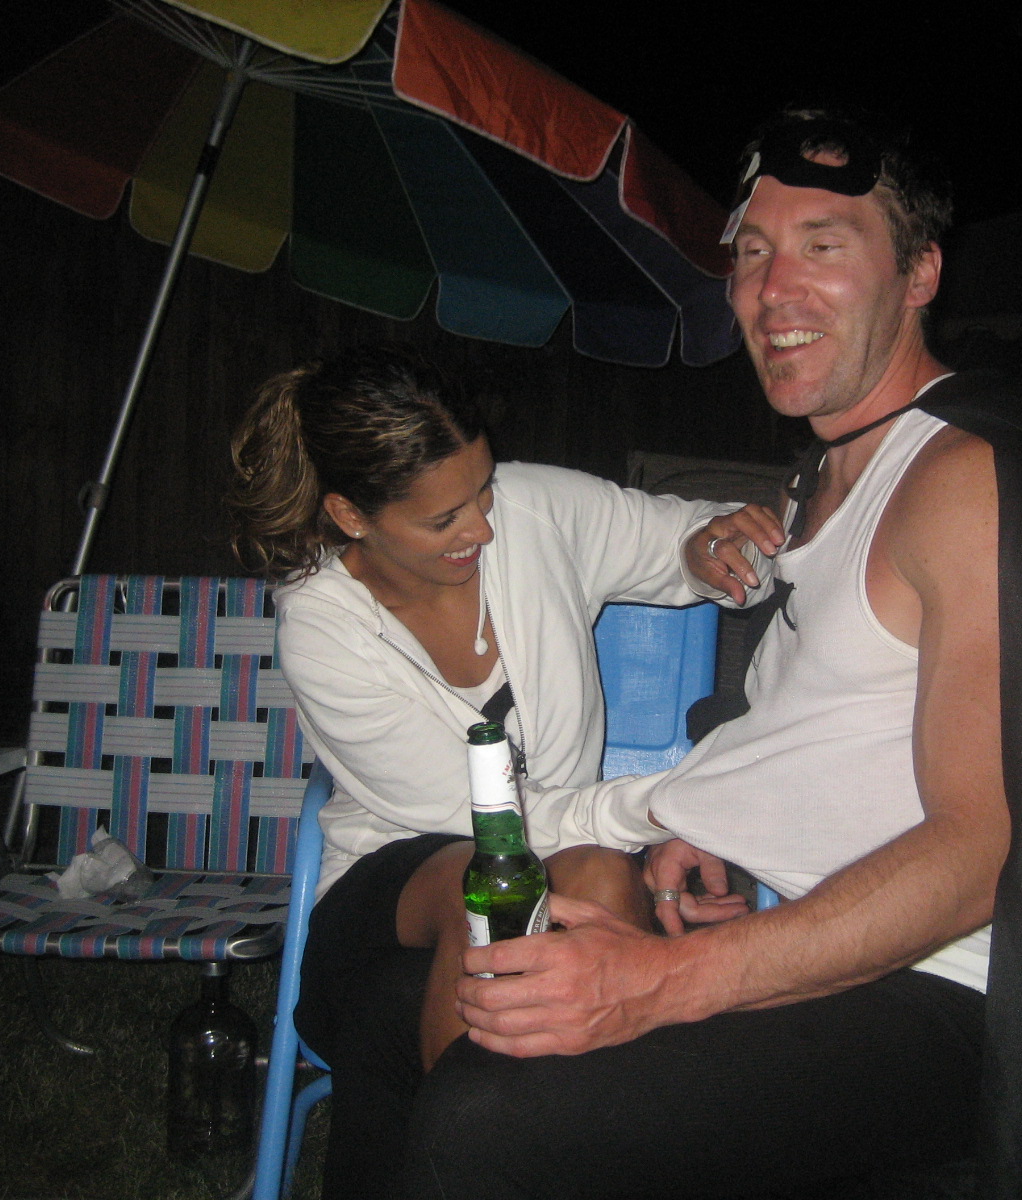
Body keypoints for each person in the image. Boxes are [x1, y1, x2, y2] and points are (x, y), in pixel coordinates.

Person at [397, 109, 1022, 1199]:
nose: (772, 288)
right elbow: (842, 728)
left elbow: (985, 848)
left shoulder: (966, 481)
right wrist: (719, 835)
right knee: (417, 1007)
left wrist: (660, 983)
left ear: (920, 274)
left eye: (823, 245)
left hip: (946, 1002)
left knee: (488, 1117)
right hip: (811, 949)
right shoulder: (822, 479)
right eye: (753, 253)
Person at [227, 346, 780, 1195]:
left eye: (482, 490)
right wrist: (676, 809)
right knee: (484, 887)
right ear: (350, 516)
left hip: (556, 875)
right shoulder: (322, 630)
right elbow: (498, 831)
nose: (483, 527)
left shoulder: (530, 512)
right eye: (444, 519)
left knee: (595, 878)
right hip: (391, 899)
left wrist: (716, 549)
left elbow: (686, 535)